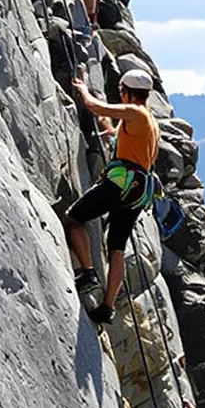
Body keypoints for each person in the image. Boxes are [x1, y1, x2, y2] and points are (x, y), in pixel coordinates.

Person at [65, 62, 160, 324]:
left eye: (121, 90)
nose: (120, 94)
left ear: (128, 92)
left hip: (122, 182)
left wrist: (83, 89)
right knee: (116, 248)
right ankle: (107, 307)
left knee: (74, 218)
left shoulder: (135, 112)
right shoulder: (150, 121)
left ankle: (88, 273)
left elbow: (95, 107)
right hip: (140, 191)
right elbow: (117, 132)